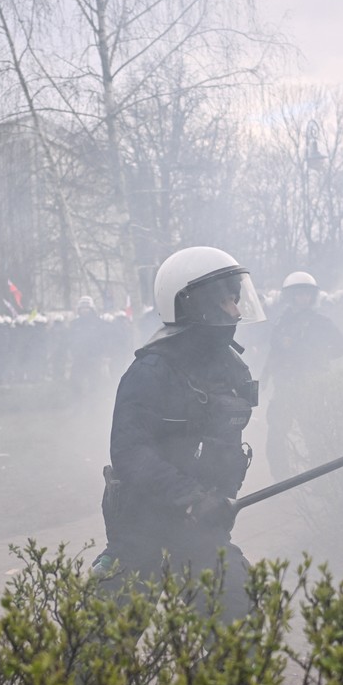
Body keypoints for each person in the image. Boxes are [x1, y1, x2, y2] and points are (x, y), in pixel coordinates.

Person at [94, 246, 266, 621]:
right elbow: (130, 452)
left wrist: (217, 501)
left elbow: (223, 448)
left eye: (236, 299)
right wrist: (191, 498)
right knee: (94, 648)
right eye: (225, 301)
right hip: (141, 533)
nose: (236, 311)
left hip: (201, 536)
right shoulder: (152, 371)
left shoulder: (231, 370)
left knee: (242, 635)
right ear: (194, 304)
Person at [262, 271, 343, 479]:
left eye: (307, 294)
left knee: (314, 436)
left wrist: (317, 357)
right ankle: (281, 480)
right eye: (299, 293)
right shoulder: (282, 322)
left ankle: (319, 480)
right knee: (275, 435)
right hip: (284, 387)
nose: (303, 298)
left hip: (309, 387)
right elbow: (274, 351)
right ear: (290, 296)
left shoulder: (321, 322)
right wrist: (264, 377)